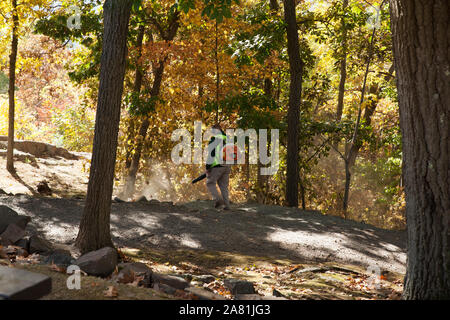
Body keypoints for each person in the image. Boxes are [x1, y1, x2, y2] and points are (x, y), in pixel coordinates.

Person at [206, 123, 231, 210]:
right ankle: (227, 205)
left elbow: (211, 155)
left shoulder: (214, 140)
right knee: (223, 186)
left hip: (217, 165)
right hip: (227, 165)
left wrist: (208, 167)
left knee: (210, 183)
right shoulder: (227, 139)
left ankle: (218, 200)